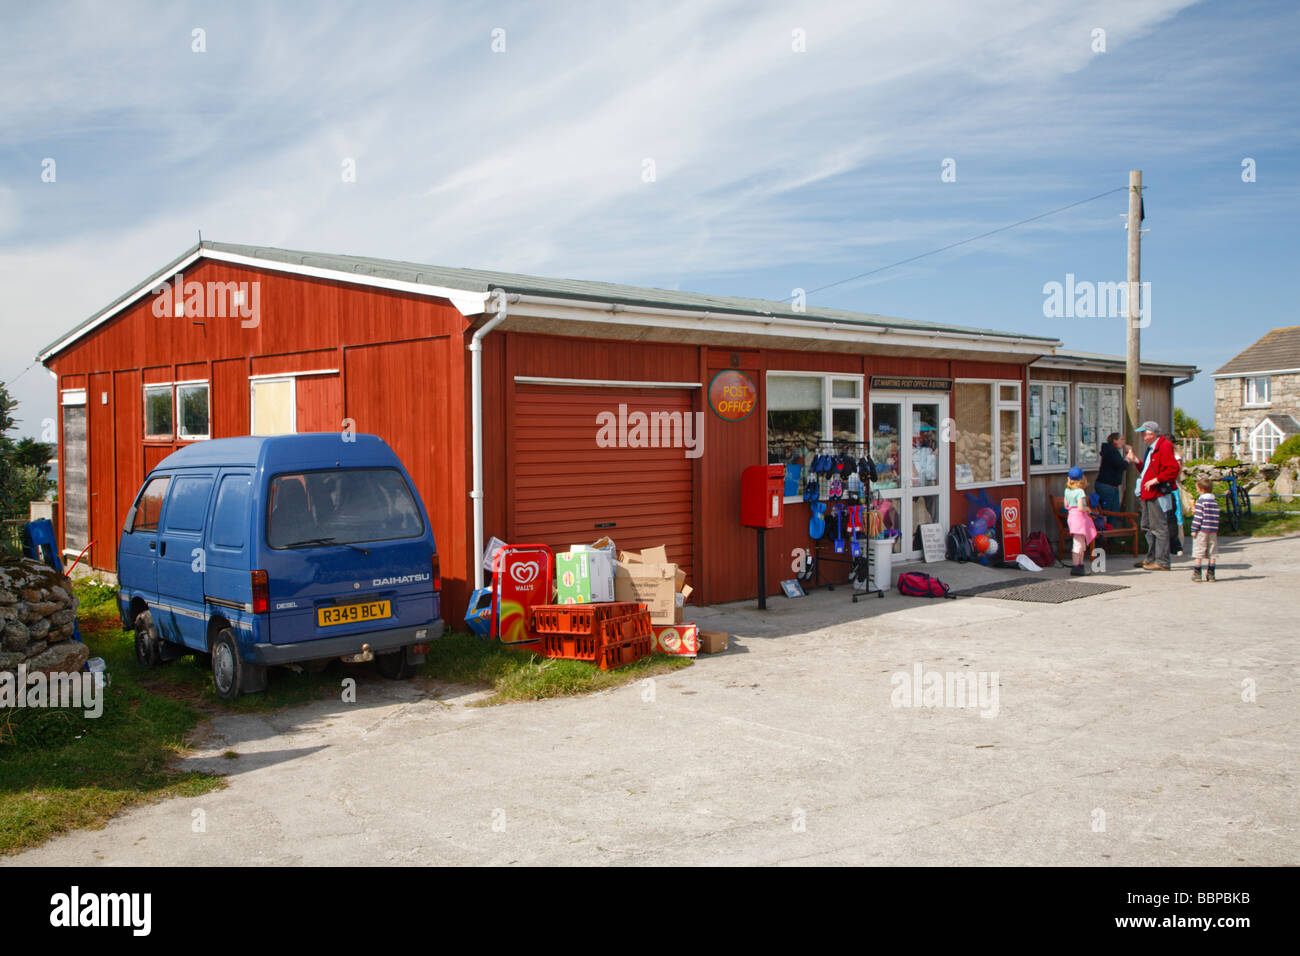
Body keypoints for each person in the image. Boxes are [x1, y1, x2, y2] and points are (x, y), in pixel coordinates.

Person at [1124, 421, 1181, 571]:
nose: (1142, 436)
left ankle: (1162, 561)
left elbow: (1173, 469)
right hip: (1147, 492)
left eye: (1144, 433)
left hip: (1157, 492)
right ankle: (1151, 558)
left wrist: (1156, 480)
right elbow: (1147, 470)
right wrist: (1135, 460)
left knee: (1159, 527)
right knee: (1148, 526)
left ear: (1152, 434)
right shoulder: (1152, 448)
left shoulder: (1164, 446)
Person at [1064, 466, 1097, 576]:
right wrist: (1087, 509)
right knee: (1079, 543)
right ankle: (1077, 566)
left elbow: (1066, 505)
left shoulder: (1067, 491)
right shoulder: (1080, 492)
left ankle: (1080, 565)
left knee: (1079, 542)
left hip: (1071, 517)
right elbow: (1081, 508)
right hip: (1080, 518)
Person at [1189, 476, 1220, 582]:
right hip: (1213, 530)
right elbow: (1216, 516)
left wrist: (1194, 529)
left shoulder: (1201, 502)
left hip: (1202, 530)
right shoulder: (1214, 502)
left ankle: (1197, 573)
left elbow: (1199, 517)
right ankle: (1211, 574)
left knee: (1199, 551)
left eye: (1197, 488)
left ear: (1202, 490)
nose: (1197, 490)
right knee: (1212, 552)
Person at [1095, 432, 1129, 514]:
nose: (1124, 442)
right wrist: (1128, 457)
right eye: (1122, 439)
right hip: (1106, 486)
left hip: (1111, 485)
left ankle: (1112, 527)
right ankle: (1107, 526)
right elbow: (1122, 465)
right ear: (1115, 440)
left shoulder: (1112, 450)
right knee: (1108, 512)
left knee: (1114, 512)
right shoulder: (1111, 451)